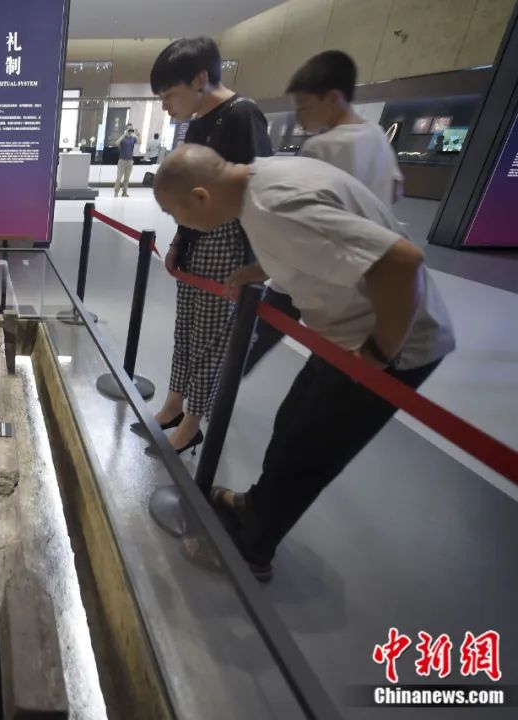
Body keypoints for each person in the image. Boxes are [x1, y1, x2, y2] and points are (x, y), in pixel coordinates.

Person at [152, 144, 455, 580]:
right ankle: (254, 507)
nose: (177, 222)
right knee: (292, 426)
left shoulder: (275, 207)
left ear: (201, 197)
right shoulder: (259, 182)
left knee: (307, 452)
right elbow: (308, 243)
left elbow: (403, 261)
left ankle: (251, 551)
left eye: (174, 212)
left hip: (388, 348)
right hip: (343, 339)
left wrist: (376, 355)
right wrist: (258, 270)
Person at [139, 37, 272, 455]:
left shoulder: (241, 114)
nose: (166, 107)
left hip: (226, 241)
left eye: (168, 95)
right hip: (196, 236)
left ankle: (192, 422)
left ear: (200, 79)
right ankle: (173, 405)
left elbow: (257, 190)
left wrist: (256, 263)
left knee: (212, 338)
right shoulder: (197, 122)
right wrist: (180, 239)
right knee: (186, 329)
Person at [238, 50, 405, 374]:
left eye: (304, 106)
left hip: (318, 268)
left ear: (333, 98)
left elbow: (298, 218)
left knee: (249, 346)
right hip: (365, 277)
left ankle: (212, 394)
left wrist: (264, 267)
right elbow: (396, 189)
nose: (299, 117)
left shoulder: (322, 147)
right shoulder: (376, 135)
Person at [113, 125, 137, 197]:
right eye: (128, 129)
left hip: (130, 161)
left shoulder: (133, 138)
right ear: (126, 129)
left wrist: (136, 134)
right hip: (122, 160)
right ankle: (116, 192)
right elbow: (116, 143)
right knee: (119, 177)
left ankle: (124, 192)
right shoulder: (123, 138)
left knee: (127, 178)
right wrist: (124, 135)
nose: (130, 130)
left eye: (131, 129)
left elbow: (139, 142)